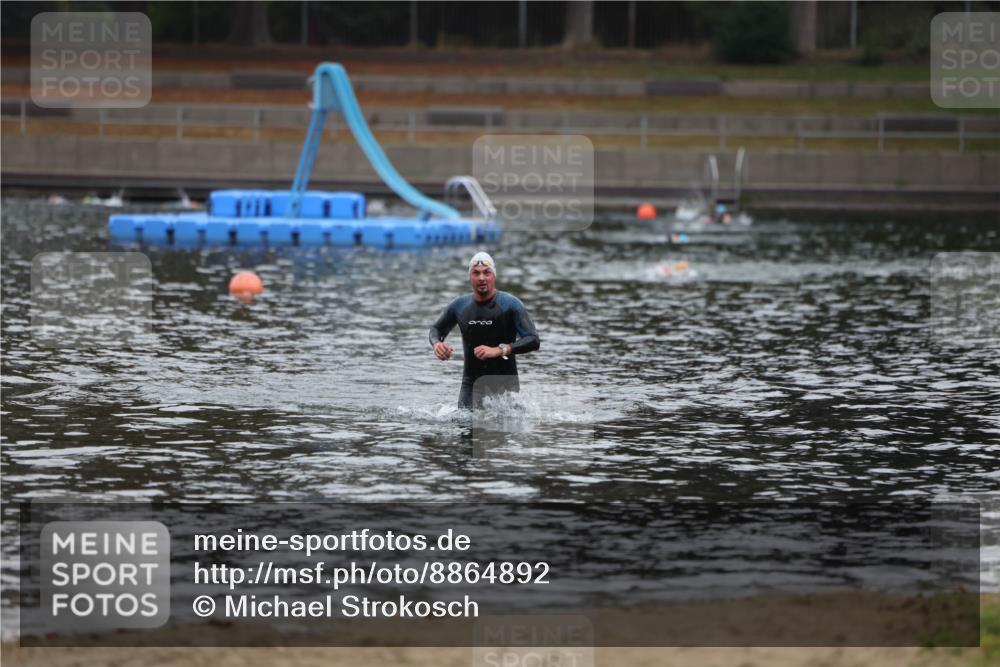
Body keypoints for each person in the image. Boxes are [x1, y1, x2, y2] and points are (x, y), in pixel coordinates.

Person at [429, 252, 540, 409]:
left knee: (502, 430)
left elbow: (533, 340)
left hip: (505, 386)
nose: (482, 278)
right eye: (476, 273)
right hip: (470, 386)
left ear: (494, 276)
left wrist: (500, 350)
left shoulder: (511, 305)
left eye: (487, 273)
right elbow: (436, 329)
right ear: (470, 277)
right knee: (465, 428)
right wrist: (437, 344)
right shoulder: (460, 306)